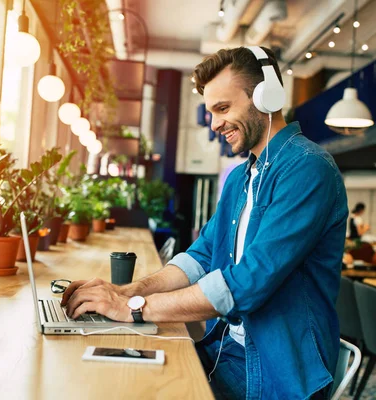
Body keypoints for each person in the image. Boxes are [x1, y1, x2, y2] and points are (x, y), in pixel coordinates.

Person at [61, 46, 348, 399]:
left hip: (278, 375)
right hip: (225, 353)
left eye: (223, 108)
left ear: (267, 96)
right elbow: (199, 257)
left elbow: (248, 283)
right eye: (211, 111)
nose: (214, 124)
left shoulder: (307, 169)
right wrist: (129, 291)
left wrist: (132, 309)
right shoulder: (242, 178)